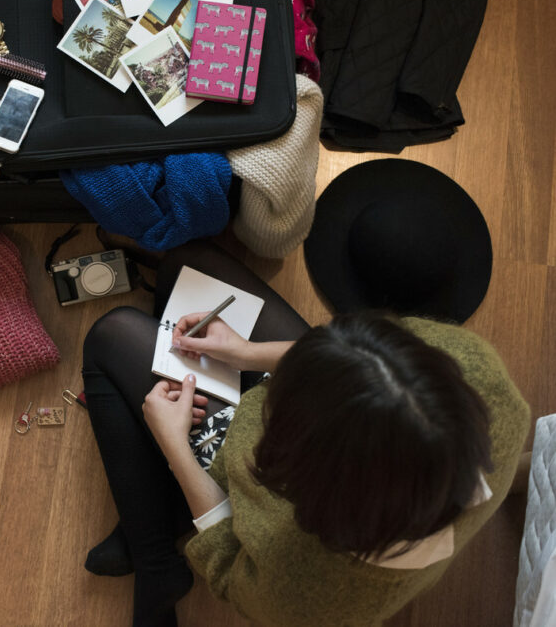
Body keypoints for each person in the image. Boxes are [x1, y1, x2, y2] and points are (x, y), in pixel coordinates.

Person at [81, 242, 530, 627]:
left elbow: (228, 565)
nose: (266, 399)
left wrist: (173, 445)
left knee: (110, 335)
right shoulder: (482, 379)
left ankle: (154, 558)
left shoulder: (308, 592)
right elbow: (357, 357)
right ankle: (157, 526)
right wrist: (248, 353)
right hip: (338, 429)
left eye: (276, 414)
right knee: (186, 264)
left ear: (300, 479)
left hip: (254, 484)